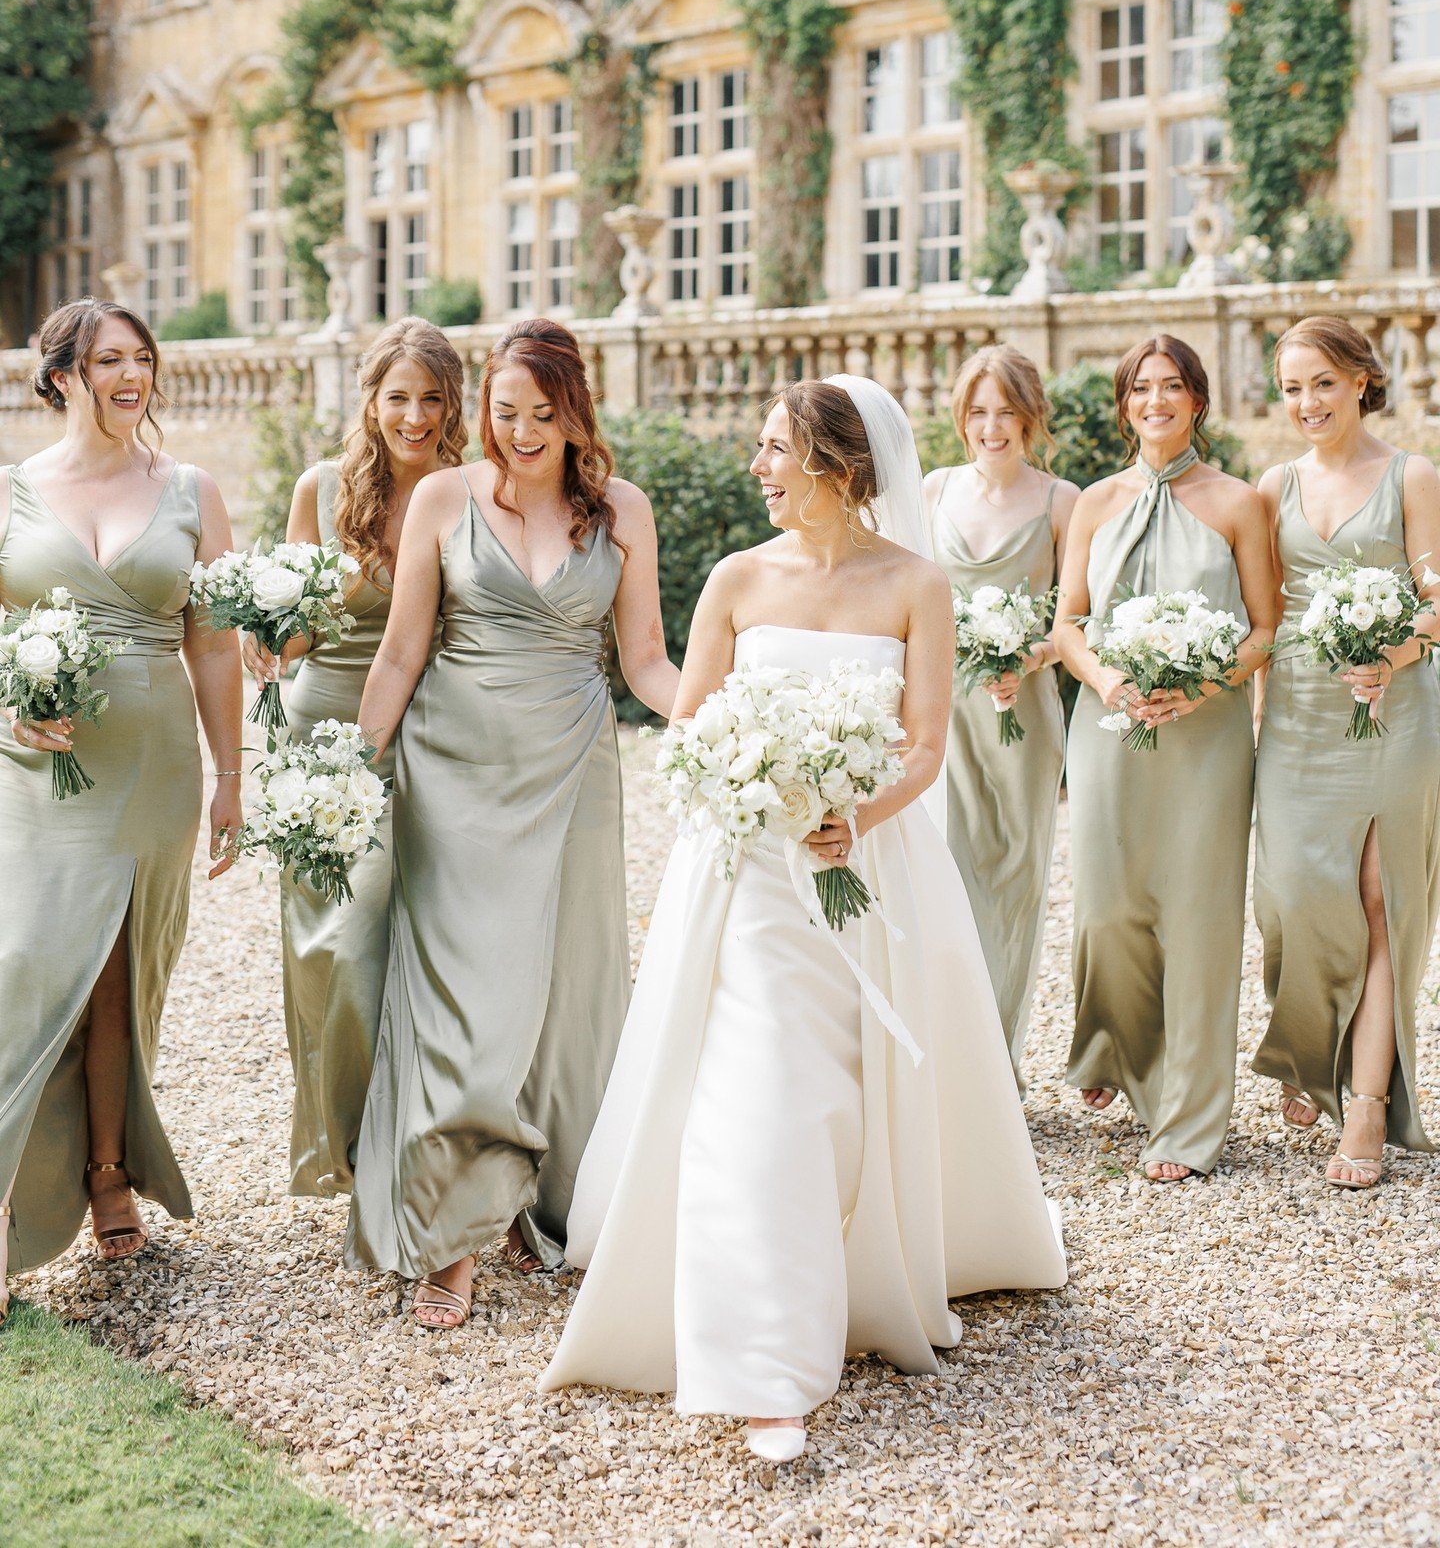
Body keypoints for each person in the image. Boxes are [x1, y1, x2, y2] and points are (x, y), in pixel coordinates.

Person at [541, 375, 1066, 1464]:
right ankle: (765, 1364)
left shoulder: (918, 585)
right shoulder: (736, 579)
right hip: (747, 884)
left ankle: (857, 1267)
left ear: (840, 465)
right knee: (761, 1087)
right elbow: (687, 735)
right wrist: (752, 784)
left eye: (777, 450)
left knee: (847, 1088)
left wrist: (851, 811)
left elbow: (926, 744)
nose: (759, 469)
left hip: (868, 873)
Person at [348, 318, 678, 1328]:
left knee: (569, 984)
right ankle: (453, 1232)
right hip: (453, 776)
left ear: (578, 413)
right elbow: (403, 652)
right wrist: (353, 770)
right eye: (504, 413)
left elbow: (649, 664)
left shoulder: (622, 510)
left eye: (543, 414)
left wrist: (744, 720)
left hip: (574, 770)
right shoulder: (445, 499)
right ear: (481, 411)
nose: (523, 432)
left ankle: (554, 1196)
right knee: (463, 998)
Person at [0, 299, 242, 1325]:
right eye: (107, 360)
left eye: (141, 357)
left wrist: (232, 774)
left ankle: (107, 1171)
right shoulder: (10, 494)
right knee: (23, 968)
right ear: (59, 377)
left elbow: (215, 642)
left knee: (119, 977)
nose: (129, 374)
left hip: (153, 765)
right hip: (39, 769)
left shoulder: (193, 490)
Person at [242, 319, 468, 1199]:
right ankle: (339, 1140)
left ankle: (407, 1139)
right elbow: (300, 633)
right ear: (369, 401)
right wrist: (268, 634)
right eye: (397, 397)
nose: (413, 415)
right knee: (328, 946)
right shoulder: (322, 489)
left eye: (431, 398)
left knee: (410, 938)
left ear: (453, 404)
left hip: (428, 735)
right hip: (318, 734)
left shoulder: (469, 492)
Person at [1054, 334, 1277, 1182]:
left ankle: (1188, 1125)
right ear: (1124, 404)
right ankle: (1128, 1060)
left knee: (1200, 920)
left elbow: (1265, 628)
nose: (1157, 401)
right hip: (1108, 731)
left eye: (1173, 386)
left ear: (1198, 402)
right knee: (1108, 912)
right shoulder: (1095, 503)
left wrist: (1204, 683)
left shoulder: (1237, 504)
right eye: (1142, 388)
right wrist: (1108, 682)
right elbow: (1068, 623)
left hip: (1206, 735)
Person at [1253, 315, 1440, 1190]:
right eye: (1292, 388)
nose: (1307, 402)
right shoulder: (1272, 485)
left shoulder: (1413, 476)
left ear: (1362, 379)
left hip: (1395, 712)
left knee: (1378, 897)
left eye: (1322, 382)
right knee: (1292, 898)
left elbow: (1438, 601)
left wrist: (1396, 652)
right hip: (1295, 715)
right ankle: (1305, 1049)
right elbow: (1258, 612)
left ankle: (1366, 1106)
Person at [925, 345, 1078, 1082]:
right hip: (943, 713)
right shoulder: (933, 492)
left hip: (1026, 714)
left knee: (1017, 879)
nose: (992, 426)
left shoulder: (1061, 502)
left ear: (1030, 416)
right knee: (948, 875)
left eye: (1007, 411)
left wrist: (1032, 660)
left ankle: (998, 1062)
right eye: (978, 411)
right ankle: (954, 1059)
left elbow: (1082, 621)